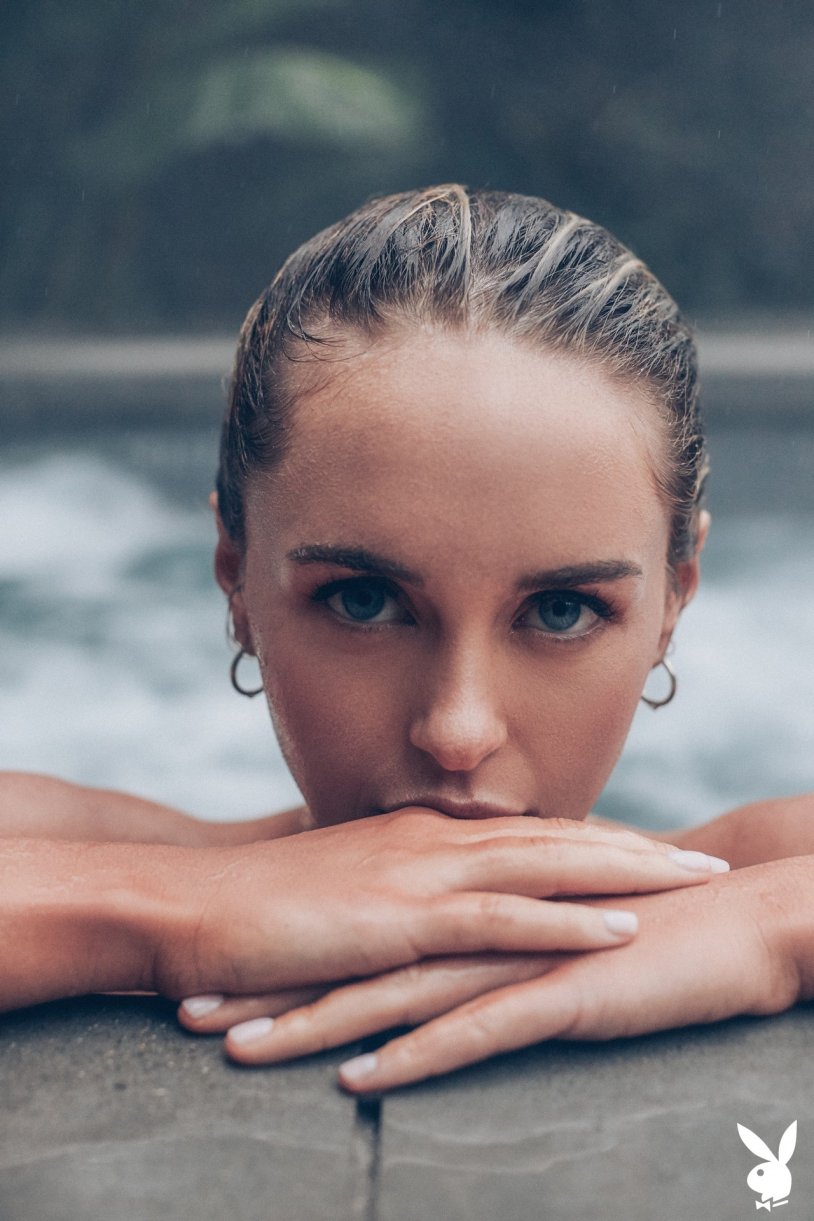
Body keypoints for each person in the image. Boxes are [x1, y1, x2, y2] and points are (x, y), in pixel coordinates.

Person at [2, 185, 812, 1096]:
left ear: (675, 598)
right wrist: (180, 909)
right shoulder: (100, 853)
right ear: (234, 571)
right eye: (363, 599)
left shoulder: (740, 874)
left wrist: (762, 929)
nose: (458, 731)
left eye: (560, 611)